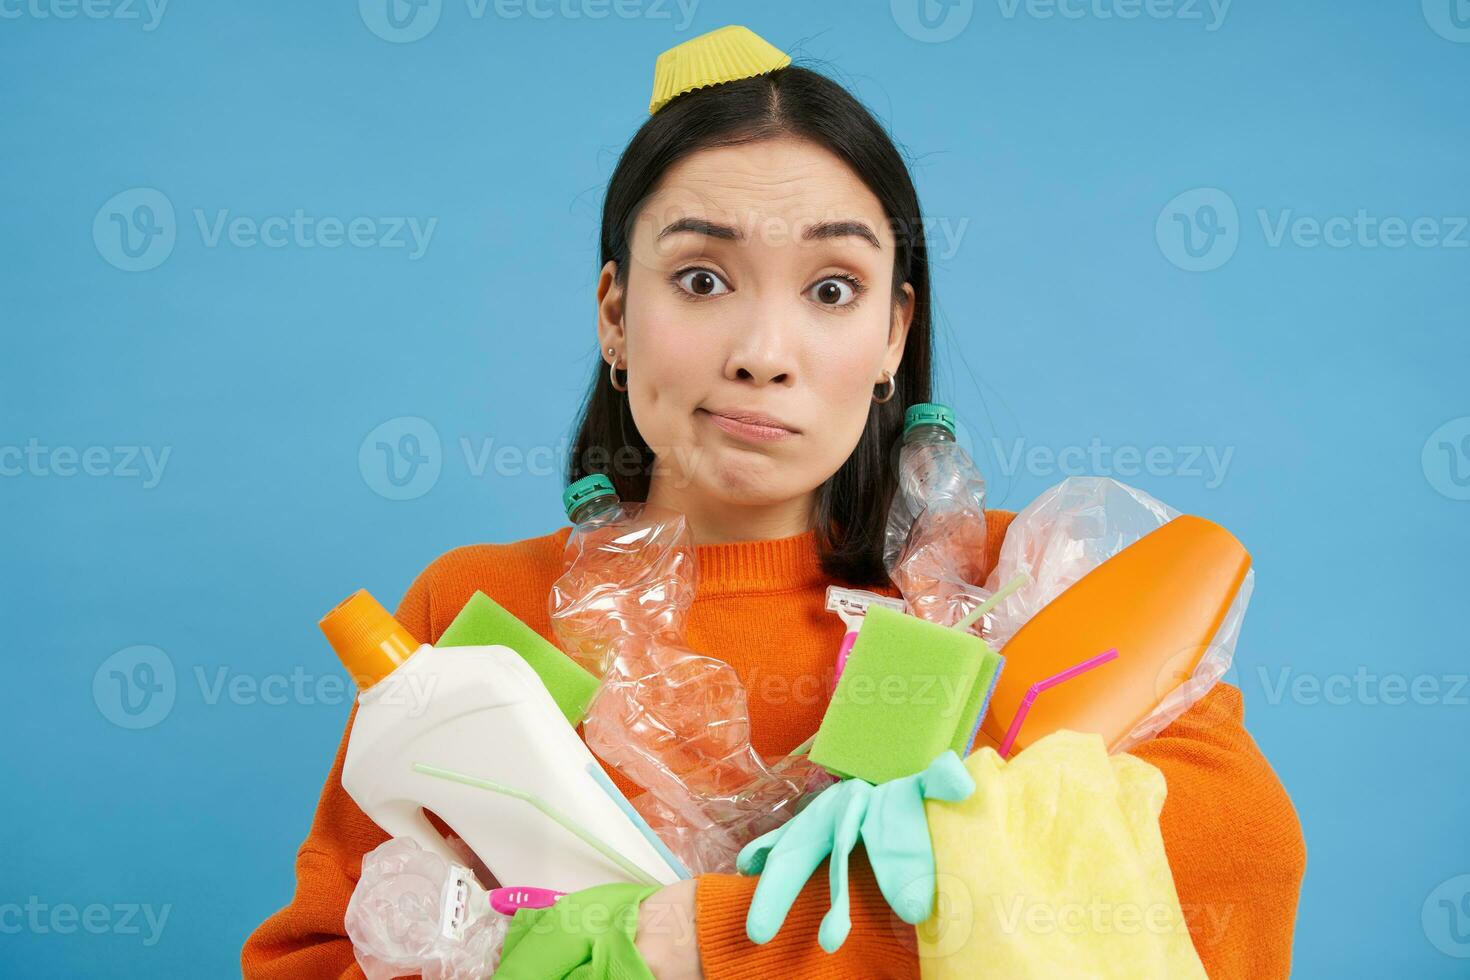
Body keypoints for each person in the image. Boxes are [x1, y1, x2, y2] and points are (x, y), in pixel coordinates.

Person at [242, 26, 1304, 980]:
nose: (761, 354)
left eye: (832, 288)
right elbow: (317, 954)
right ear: (616, 310)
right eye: (702, 278)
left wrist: (704, 942)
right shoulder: (486, 615)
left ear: (893, 332)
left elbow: (1235, 862)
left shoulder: (1017, 585)